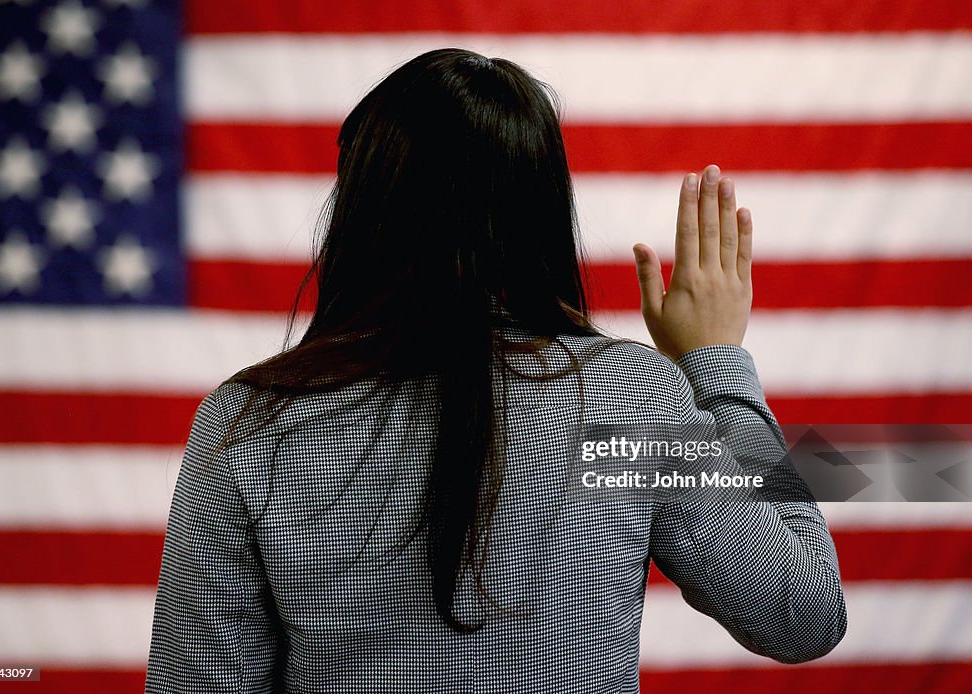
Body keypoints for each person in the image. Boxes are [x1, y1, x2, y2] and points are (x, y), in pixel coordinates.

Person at [144, 48, 846, 693]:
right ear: (539, 210)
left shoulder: (245, 421)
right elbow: (803, 612)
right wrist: (715, 362)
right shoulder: (629, 400)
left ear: (360, 209)